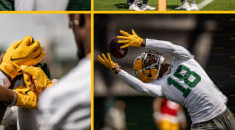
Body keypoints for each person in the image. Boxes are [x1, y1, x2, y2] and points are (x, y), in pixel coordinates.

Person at [97, 29, 235, 130]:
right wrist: (119, 69)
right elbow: (142, 87)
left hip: (223, 110)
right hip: (205, 122)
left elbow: (171, 47)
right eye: (147, 62)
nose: (150, 58)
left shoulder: (181, 62)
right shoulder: (165, 83)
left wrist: (142, 42)